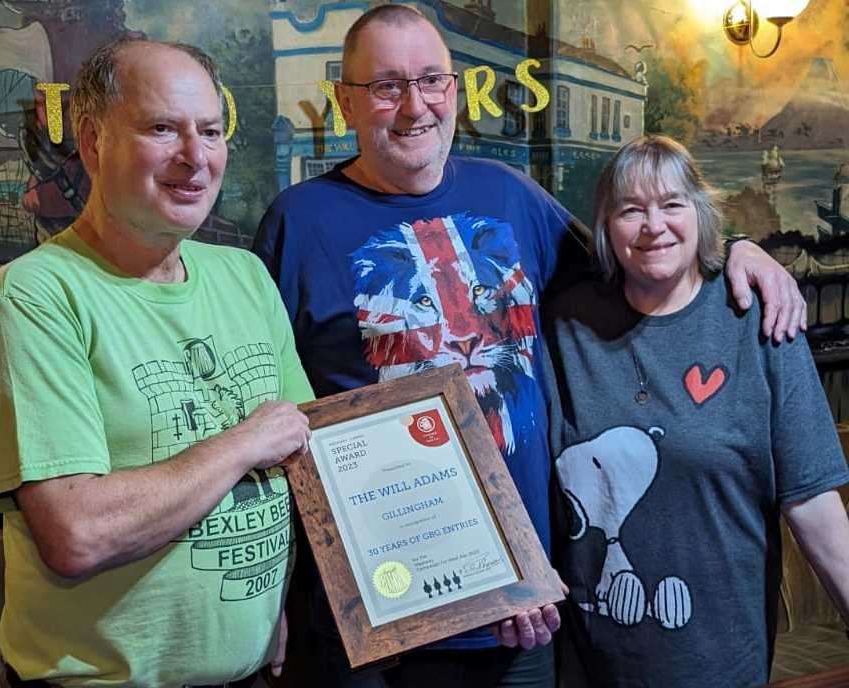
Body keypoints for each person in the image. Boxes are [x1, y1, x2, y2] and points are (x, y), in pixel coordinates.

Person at [253, 7, 807, 687]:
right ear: (345, 98)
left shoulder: (510, 194)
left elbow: (641, 262)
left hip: (522, 613)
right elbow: (267, 413)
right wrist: (276, 596)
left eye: (432, 81)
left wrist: (739, 250)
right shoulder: (297, 222)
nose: (414, 106)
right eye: (387, 86)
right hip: (376, 614)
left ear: (454, 90)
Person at [0, 37, 313, 687]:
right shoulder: (36, 297)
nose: (195, 157)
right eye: (162, 128)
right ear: (92, 142)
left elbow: (304, 460)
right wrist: (240, 446)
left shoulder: (246, 277)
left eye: (210, 131)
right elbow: (77, 533)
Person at [544, 135, 849, 687]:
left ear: (701, 214)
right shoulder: (565, 325)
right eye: (630, 209)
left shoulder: (759, 318)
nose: (652, 225)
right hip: (589, 665)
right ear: (606, 228)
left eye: (672, 204)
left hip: (719, 663)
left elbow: (813, 503)